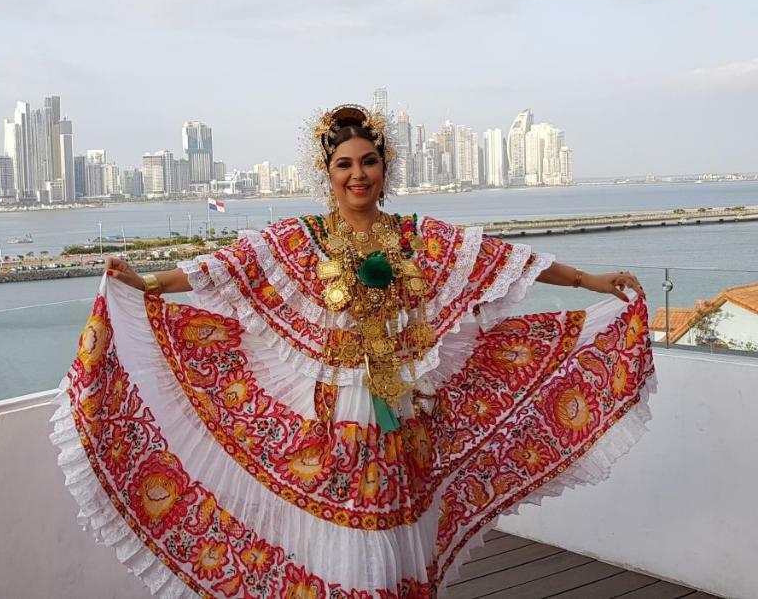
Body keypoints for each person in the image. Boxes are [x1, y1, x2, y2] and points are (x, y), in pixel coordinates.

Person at [51, 104, 654, 598]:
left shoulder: (418, 237)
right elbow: (224, 270)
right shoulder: (300, 240)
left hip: (403, 412)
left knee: (393, 523)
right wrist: (144, 283)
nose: (357, 174)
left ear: (385, 169)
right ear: (328, 173)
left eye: (368, 161)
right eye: (345, 164)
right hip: (337, 414)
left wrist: (592, 283)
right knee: (344, 531)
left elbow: (504, 259)